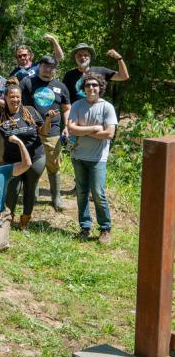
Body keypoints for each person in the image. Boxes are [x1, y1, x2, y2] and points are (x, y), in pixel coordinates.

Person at [0, 81, 52, 229]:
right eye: (12, 97)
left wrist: (48, 120)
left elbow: (43, 131)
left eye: (18, 97)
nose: (15, 100)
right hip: (12, 160)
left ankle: (25, 221)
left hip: (35, 157)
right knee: (12, 190)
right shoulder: (0, 117)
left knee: (30, 189)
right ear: (5, 97)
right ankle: (8, 218)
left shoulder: (30, 111)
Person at [66, 72, 118, 245]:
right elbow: (71, 129)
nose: (91, 88)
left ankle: (105, 228)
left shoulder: (107, 107)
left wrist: (83, 130)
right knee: (81, 193)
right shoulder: (77, 105)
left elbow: (109, 133)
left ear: (101, 87)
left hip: (98, 158)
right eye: (88, 85)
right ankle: (85, 227)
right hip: (78, 156)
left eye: (95, 85)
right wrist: (96, 128)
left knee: (98, 193)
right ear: (84, 87)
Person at [19, 55, 70, 211]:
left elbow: (67, 107)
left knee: (54, 164)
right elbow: (16, 100)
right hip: (30, 130)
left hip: (53, 132)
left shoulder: (60, 86)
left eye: (51, 67)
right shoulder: (28, 82)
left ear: (55, 69)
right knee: (32, 164)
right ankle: (32, 196)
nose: (48, 69)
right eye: (45, 66)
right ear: (39, 66)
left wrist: (66, 126)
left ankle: (56, 197)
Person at [62, 43, 130, 104]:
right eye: (79, 55)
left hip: (97, 112)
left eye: (86, 55)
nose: (82, 57)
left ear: (90, 57)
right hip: (77, 114)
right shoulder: (69, 75)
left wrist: (119, 58)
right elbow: (64, 98)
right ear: (75, 58)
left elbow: (124, 76)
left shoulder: (101, 71)